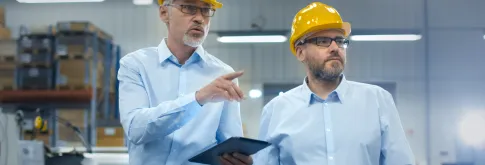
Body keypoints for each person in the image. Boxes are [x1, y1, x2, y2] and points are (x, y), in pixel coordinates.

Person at [254, 2, 415, 165]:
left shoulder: (377, 101)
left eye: (340, 40)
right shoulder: (276, 110)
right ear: (300, 52)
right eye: (323, 41)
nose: (335, 47)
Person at [117, 0, 253, 164]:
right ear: (164, 13)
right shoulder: (136, 65)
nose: (200, 19)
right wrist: (198, 98)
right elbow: (136, 129)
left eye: (206, 10)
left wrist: (238, 159)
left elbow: (229, 145)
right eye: (189, 8)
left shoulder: (223, 74)